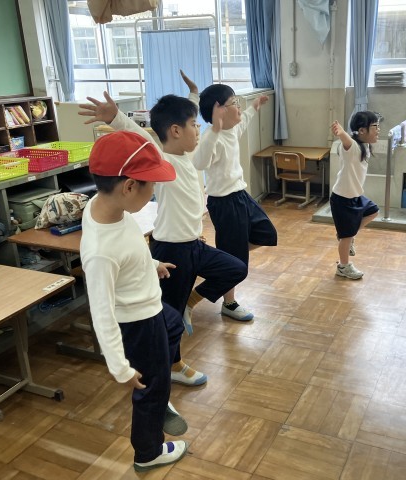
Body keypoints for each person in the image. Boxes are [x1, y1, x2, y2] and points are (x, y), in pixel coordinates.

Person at [79, 71, 248, 388]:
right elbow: (141, 137)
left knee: (236, 268)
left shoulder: (189, 154)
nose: (198, 129)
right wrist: (115, 117)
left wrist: (194, 94)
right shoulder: (160, 158)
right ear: (175, 131)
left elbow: (183, 115)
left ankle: (191, 303)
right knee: (169, 317)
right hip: (172, 250)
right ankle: (174, 365)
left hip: (194, 244)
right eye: (194, 125)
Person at [80, 130, 189, 472]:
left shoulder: (105, 207)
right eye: (151, 184)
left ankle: (160, 387)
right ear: (129, 186)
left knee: (175, 325)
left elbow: (129, 246)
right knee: (150, 388)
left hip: (151, 307)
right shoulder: (100, 252)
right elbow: (101, 313)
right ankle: (148, 452)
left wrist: (151, 264)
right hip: (138, 322)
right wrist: (120, 367)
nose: (154, 190)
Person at [192, 84, 278, 320]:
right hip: (223, 202)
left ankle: (224, 256)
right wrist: (215, 129)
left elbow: (244, 120)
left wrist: (254, 106)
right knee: (237, 261)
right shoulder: (211, 137)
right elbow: (199, 163)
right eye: (234, 103)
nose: (239, 107)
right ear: (219, 110)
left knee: (267, 233)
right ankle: (227, 303)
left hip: (240, 195)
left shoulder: (232, 129)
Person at [330, 112, 381, 280]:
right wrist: (341, 132)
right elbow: (347, 142)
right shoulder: (353, 148)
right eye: (375, 126)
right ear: (362, 130)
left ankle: (349, 235)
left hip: (355, 196)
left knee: (373, 211)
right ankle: (343, 267)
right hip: (342, 199)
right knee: (345, 237)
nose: (378, 130)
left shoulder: (364, 146)